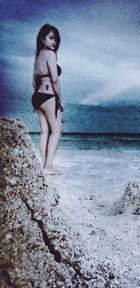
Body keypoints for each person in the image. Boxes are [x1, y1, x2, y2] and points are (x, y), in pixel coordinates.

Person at [32, 24, 64, 175]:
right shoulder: (50, 54)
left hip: (37, 96)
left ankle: (43, 167)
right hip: (49, 95)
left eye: (56, 39)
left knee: (44, 131)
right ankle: (48, 166)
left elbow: (33, 81)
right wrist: (61, 100)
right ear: (42, 39)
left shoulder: (37, 56)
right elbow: (55, 80)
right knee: (56, 131)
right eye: (51, 38)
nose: (54, 42)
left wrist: (38, 96)